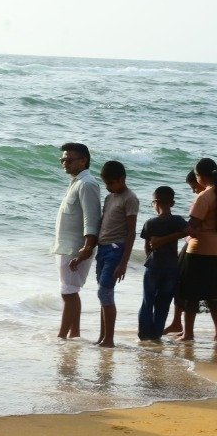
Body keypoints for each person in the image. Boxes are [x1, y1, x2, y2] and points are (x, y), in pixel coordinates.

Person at [51, 143, 102, 340]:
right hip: (66, 246)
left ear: (83, 160)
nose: (64, 163)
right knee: (70, 291)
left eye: (69, 159)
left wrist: (87, 248)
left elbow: (92, 218)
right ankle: (74, 334)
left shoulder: (87, 184)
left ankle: (62, 337)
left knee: (68, 293)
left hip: (75, 248)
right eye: (62, 159)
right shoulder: (77, 182)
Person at [93, 160, 139, 347]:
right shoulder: (109, 197)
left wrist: (124, 262)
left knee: (104, 292)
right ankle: (102, 336)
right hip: (103, 248)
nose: (108, 187)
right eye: (106, 183)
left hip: (116, 249)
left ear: (122, 179)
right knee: (104, 295)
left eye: (111, 183)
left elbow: (131, 232)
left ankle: (109, 339)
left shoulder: (130, 198)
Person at [137, 186, 186, 342]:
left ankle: (144, 335)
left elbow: (147, 248)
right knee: (163, 303)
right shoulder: (178, 221)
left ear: (154, 203)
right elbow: (189, 231)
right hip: (172, 267)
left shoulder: (150, 223)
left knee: (147, 301)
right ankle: (156, 334)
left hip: (153, 266)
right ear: (172, 203)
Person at [175, 157, 217, 339]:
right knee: (214, 296)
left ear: (200, 176)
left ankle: (188, 333)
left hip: (199, 251)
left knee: (190, 294)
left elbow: (193, 227)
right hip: (216, 251)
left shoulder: (205, 196)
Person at [165, 170, 202, 337]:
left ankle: (181, 326)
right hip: (190, 244)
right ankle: (176, 322)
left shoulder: (206, 198)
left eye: (194, 187)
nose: (193, 191)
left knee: (188, 287)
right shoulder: (205, 197)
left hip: (196, 247)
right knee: (180, 282)